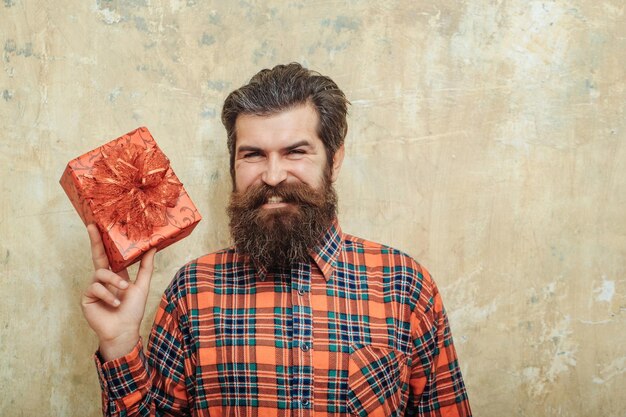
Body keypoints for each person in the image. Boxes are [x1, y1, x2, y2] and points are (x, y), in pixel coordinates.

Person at [81, 63, 472, 417]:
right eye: (252, 155)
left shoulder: (405, 286)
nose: (272, 175)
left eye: (295, 152)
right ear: (233, 164)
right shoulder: (191, 292)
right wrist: (118, 342)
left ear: (334, 160)